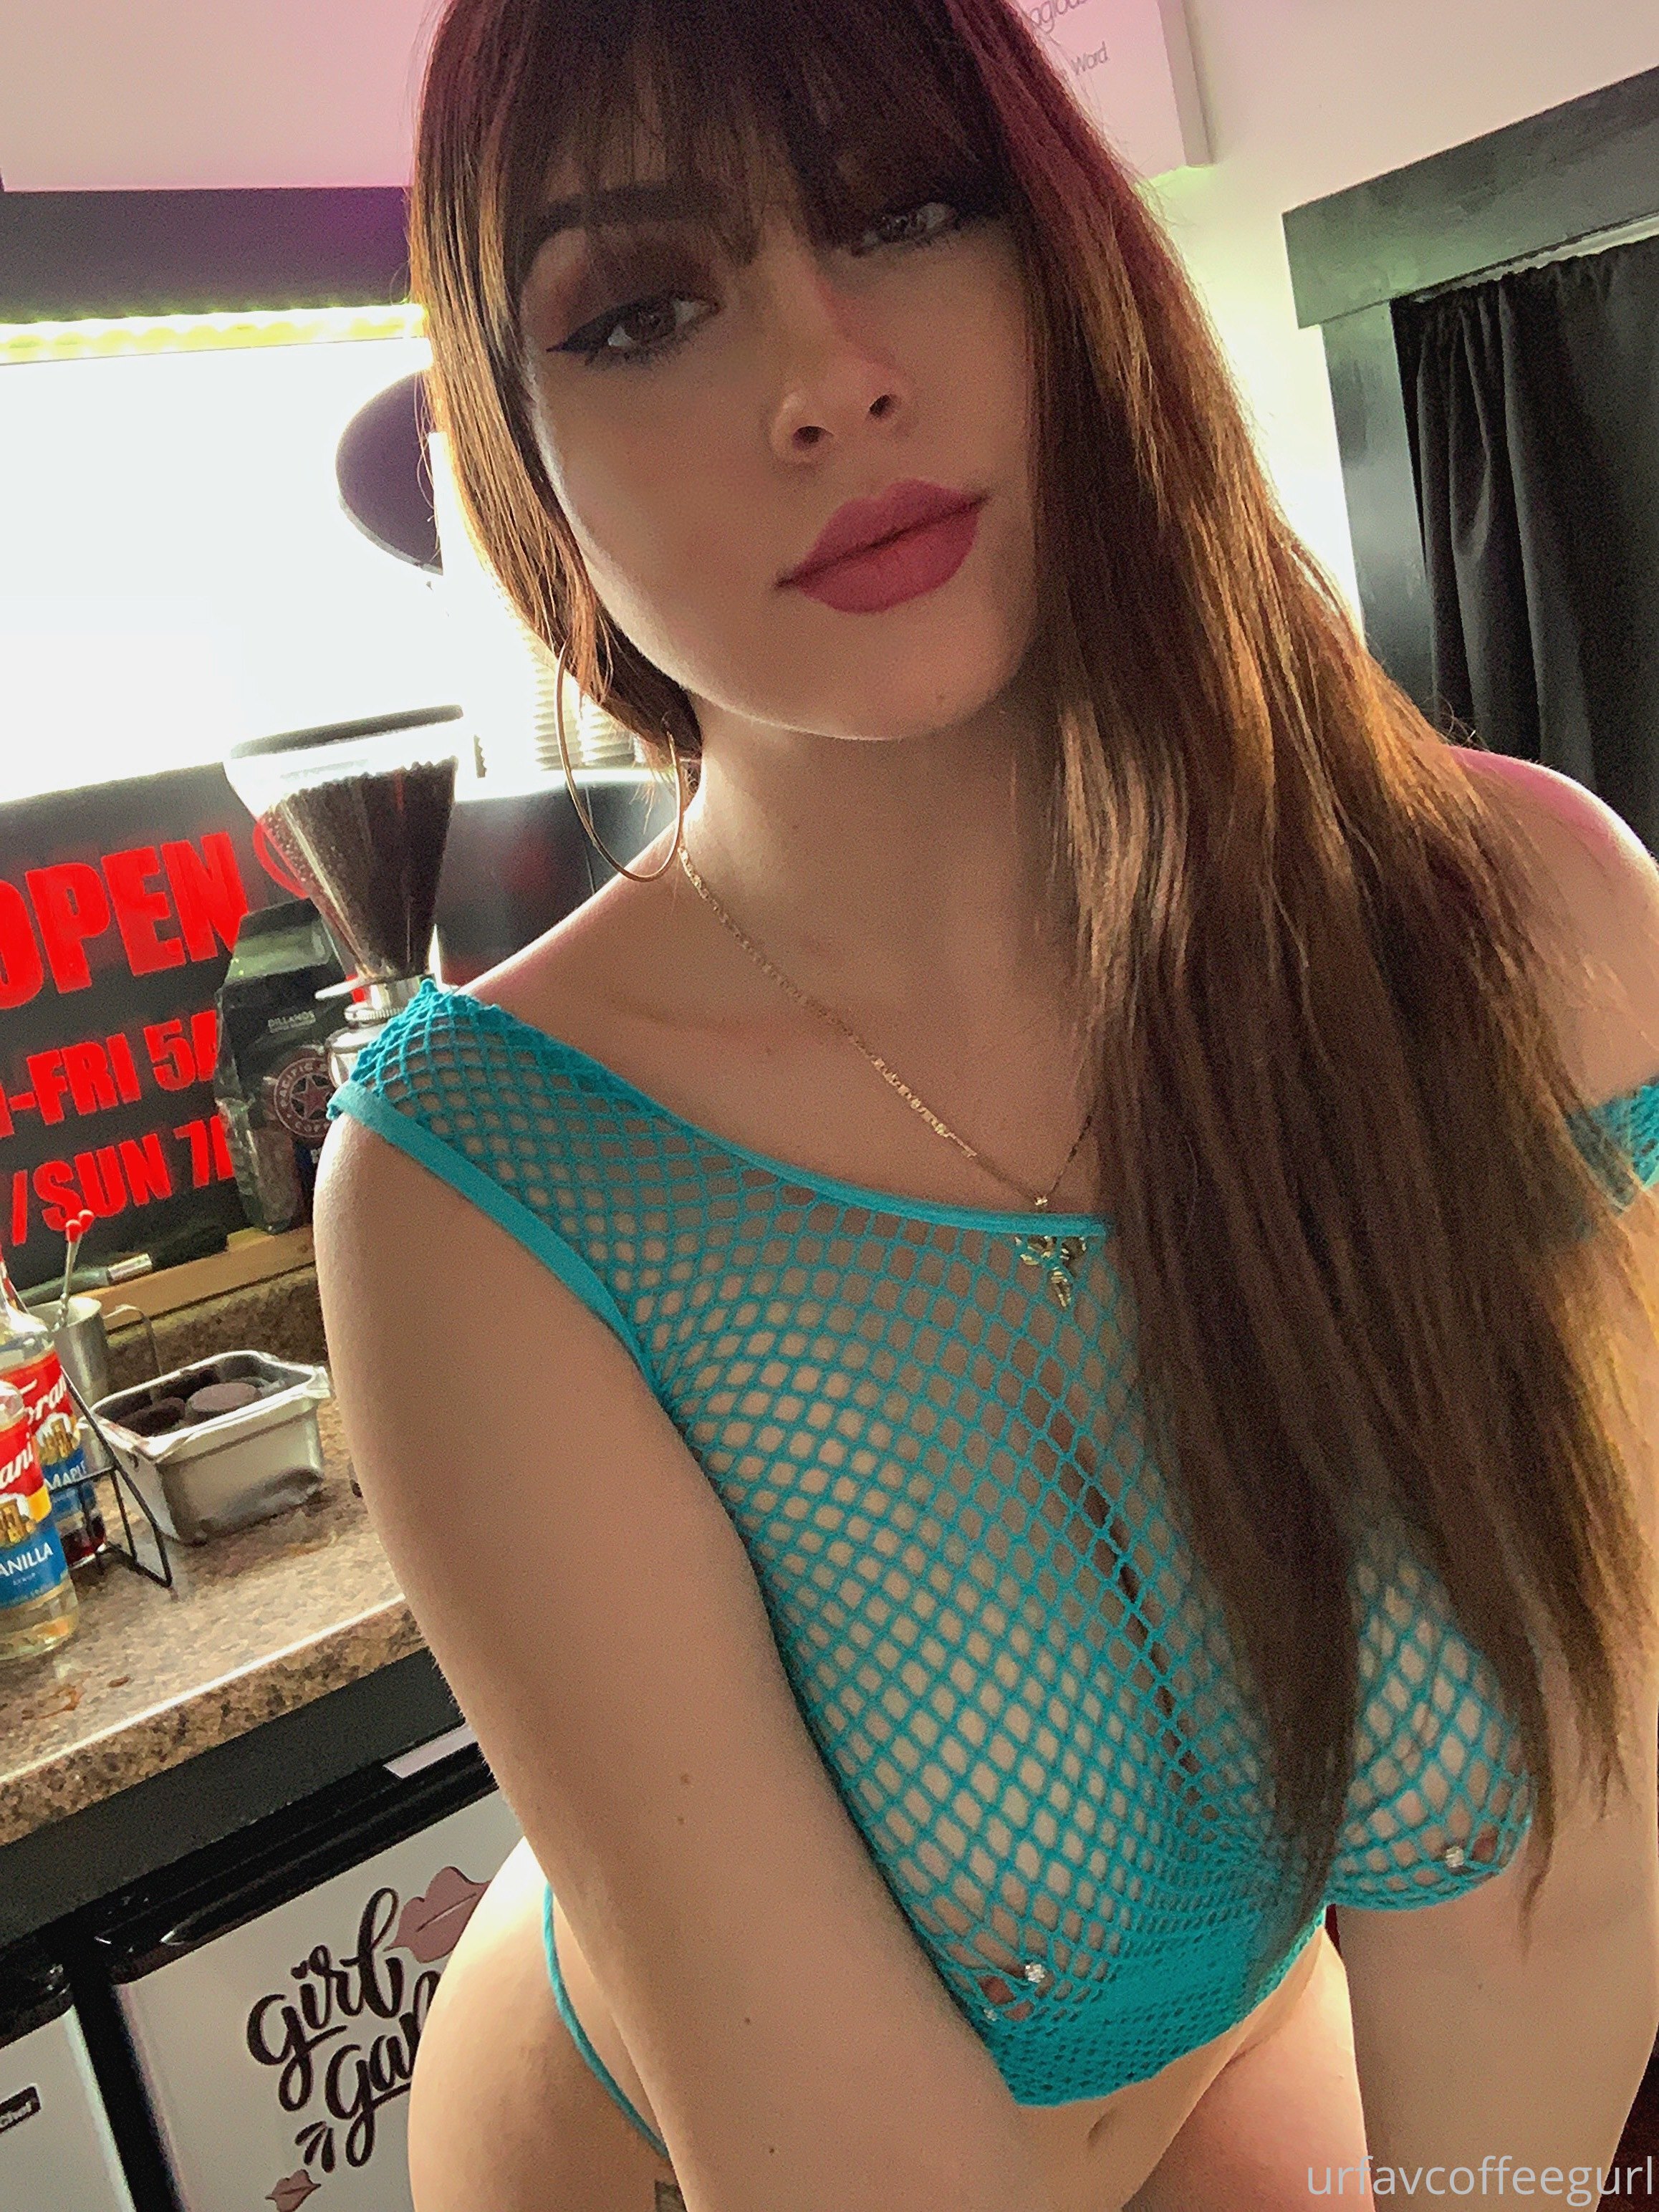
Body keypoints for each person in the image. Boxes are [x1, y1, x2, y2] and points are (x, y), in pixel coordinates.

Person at [313, 2, 1659, 2208]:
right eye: (638, 310)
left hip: (1232, 2062)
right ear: (521, 467)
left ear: (1072, 256)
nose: (826, 376)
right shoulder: (487, 1188)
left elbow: (1555, 1886)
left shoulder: (1514, 932)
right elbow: (849, 2163)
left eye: (911, 207)